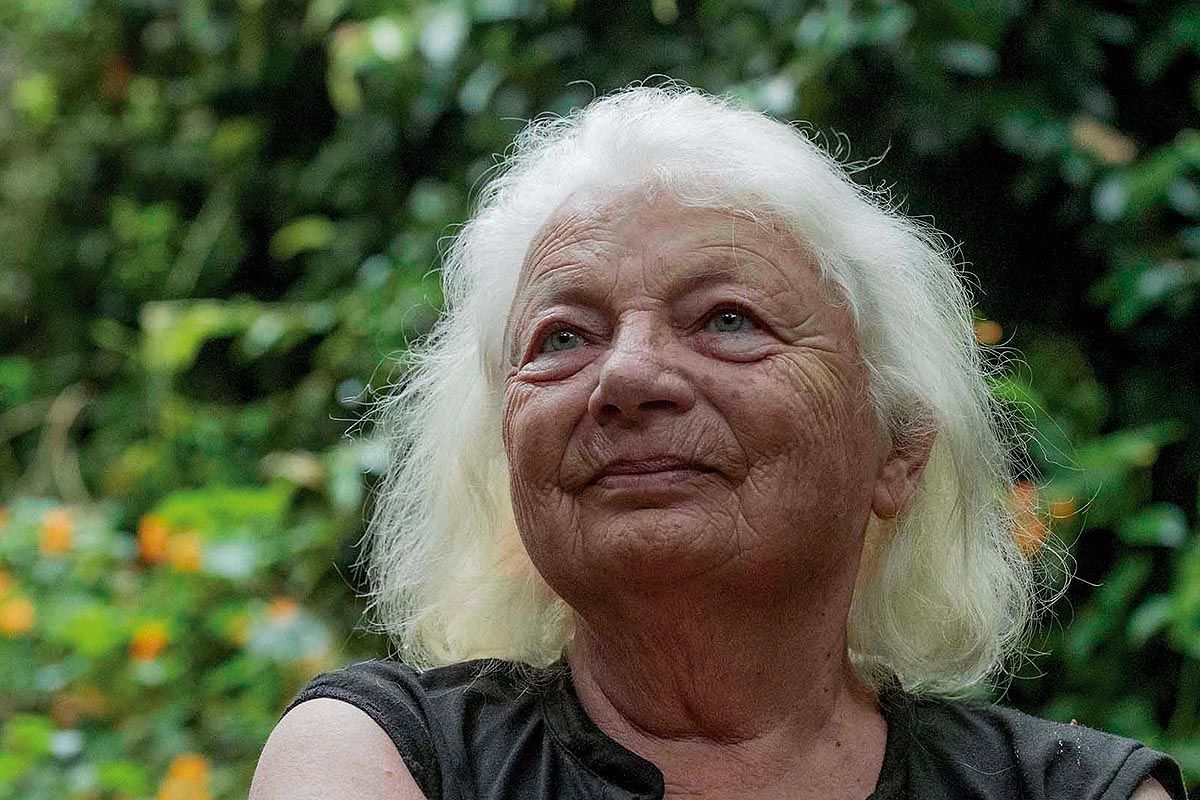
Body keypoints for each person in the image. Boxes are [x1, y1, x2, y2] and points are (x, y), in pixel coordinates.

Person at [249, 85, 1187, 800]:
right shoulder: (380, 756)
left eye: (728, 319)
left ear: (897, 447)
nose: (625, 378)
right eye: (563, 337)